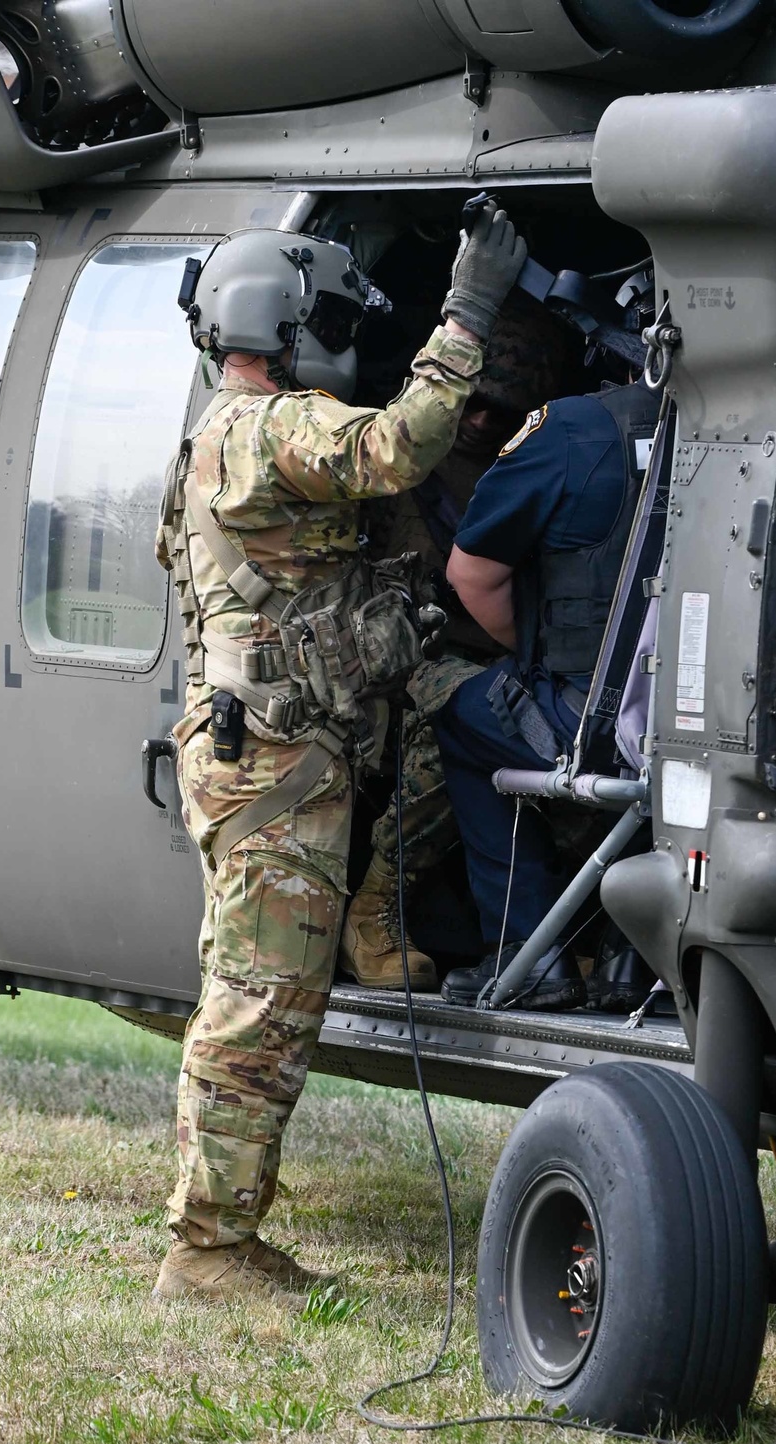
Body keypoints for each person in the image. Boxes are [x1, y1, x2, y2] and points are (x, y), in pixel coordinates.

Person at [152, 204, 527, 1300]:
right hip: (277, 765)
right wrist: (467, 311)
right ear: (287, 321)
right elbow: (400, 444)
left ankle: (225, 1235)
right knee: (257, 1004)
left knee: (264, 995)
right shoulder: (271, 426)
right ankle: (207, 1253)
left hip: (277, 753)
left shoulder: (219, 432)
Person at [433, 287, 662, 1010]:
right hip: (710, 725)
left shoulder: (569, 431)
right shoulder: (758, 428)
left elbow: (472, 574)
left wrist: (533, 660)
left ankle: (530, 951)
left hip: (594, 722)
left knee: (466, 719)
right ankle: (632, 959)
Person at [339, 293, 574, 990]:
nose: (474, 422)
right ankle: (375, 904)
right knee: (461, 716)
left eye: (497, 412)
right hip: (399, 659)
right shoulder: (398, 455)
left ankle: (554, 928)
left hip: (500, 656)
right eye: (468, 402)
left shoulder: (531, 469)